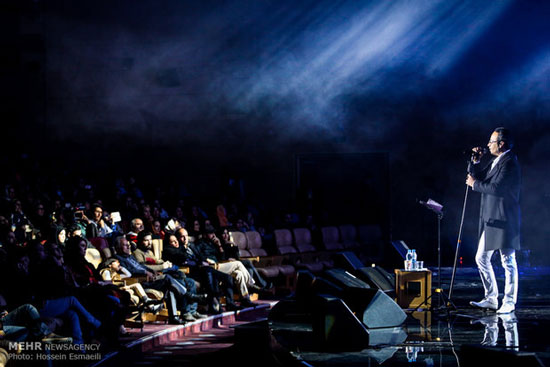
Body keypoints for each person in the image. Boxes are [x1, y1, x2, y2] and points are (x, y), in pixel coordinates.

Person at [466, 127, 521, 314]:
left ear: (501, 143)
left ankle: (509, 301)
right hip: (491, 218)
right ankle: (491, 298)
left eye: (491, 141)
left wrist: (475, 185)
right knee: (481, 258)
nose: (488, 145)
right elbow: (477, 178)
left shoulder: (509, 162)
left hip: (504, 217)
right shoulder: (495, 161)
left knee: (508, 260)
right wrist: (476, 161)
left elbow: (498, 188)